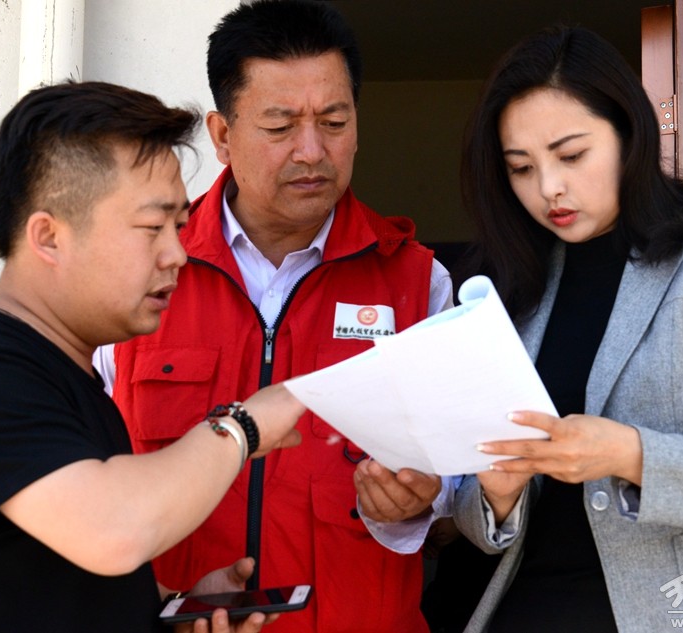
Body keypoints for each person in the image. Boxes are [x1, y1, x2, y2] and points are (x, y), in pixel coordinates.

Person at [0, 80, 307, 633]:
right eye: (152, 227)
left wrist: (168, 607)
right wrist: (243, 425)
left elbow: (41, 575)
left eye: (180, 227)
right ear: (48, 237)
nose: (178, 254)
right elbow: (112, 529)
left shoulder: (67, 378)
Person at [96, 1, 454, 632]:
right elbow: (81, 491)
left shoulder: (416, 281)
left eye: (334, 122)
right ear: (222, 136)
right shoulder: (137, 273)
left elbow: (463, 485)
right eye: (280, 126)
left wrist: (421, 500)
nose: (312, 151)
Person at [450, 26, 683, 633]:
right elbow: (477, 518)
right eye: (521, 168)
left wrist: (631, 454)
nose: (548, 187)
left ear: (629, 134)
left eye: (571, 156)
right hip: (531, 610)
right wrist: (497, 495)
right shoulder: (510, 289)